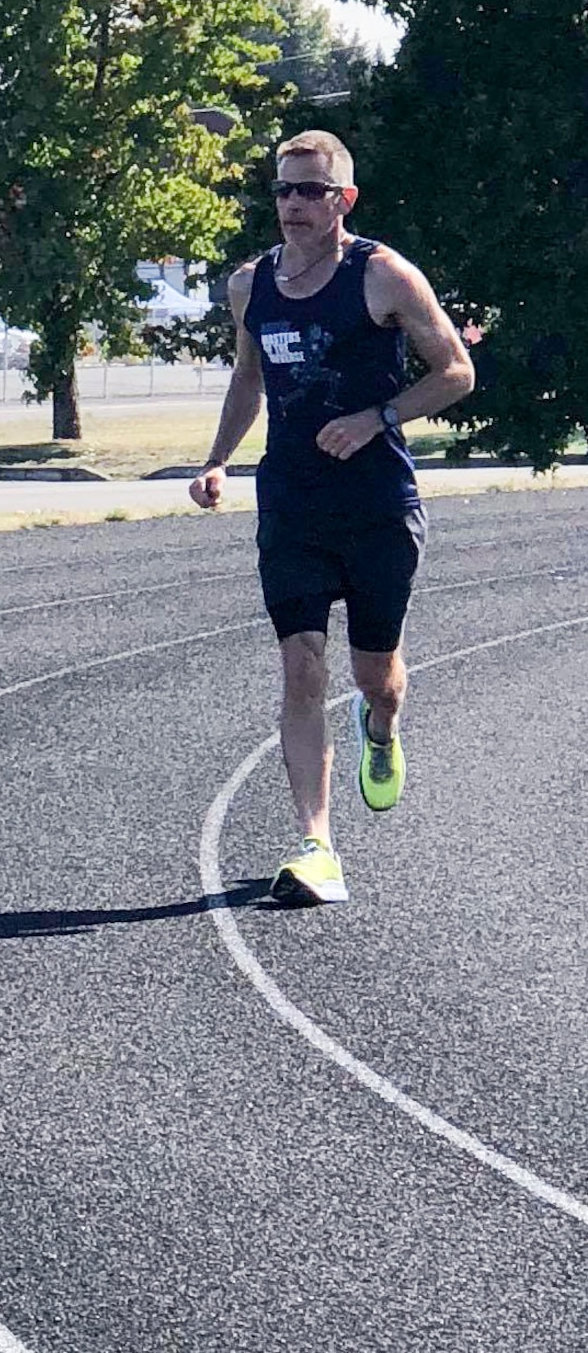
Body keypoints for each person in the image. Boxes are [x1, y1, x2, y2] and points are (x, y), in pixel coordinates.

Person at [191, 129, 475, 906]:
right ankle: (318, 845)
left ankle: (380, 732)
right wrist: (216, 459)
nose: (292, 204)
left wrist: (376, 417)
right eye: (283, 189)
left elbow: (456, 372)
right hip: (292, 503)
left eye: (310, 190)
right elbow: (248, 379)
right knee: (300, 663)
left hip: (379, 504)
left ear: (343, 200)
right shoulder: (251, 286)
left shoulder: (383, 277)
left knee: (373, 678)